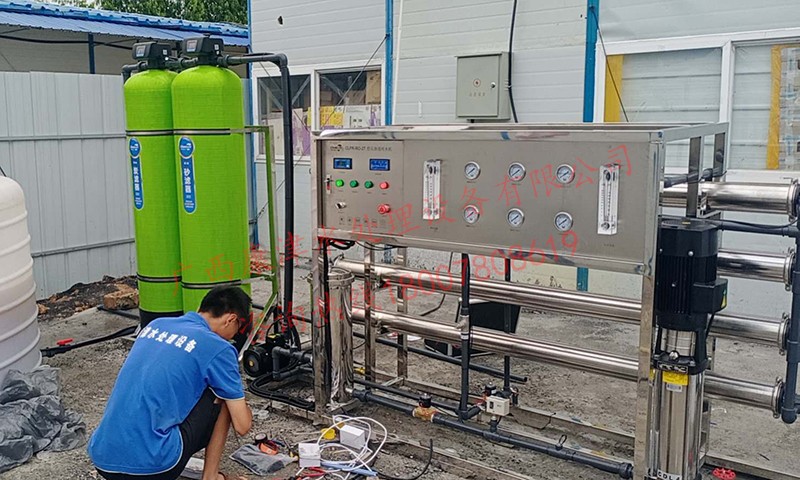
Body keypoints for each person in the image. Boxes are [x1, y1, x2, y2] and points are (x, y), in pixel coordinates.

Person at [88, 287, 254, 480]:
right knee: (223, 395)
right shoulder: (219, 348)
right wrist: (242, 403)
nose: (234, 336)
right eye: (238, 329)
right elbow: (242, 426)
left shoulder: (156, 325)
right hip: (154, 468)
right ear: (231, 319)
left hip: (103, 459)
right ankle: (211, 477)